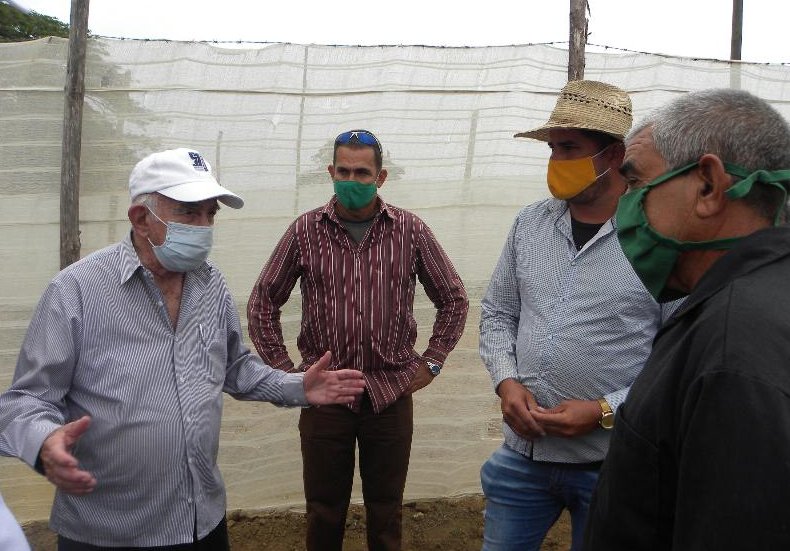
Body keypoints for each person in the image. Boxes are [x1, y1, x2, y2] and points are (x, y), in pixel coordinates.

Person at [0, 148, 366, 550]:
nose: (204, 226)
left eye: (211, 214)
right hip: (110, 532)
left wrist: (297, 387)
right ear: (142, 219)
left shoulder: (210, 285)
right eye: (190, 213)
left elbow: (233, 367)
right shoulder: (76, 292)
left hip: (201, 521)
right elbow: (24, 401)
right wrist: (44, 442)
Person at [583, 89, 790, 550]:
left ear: (709, 188)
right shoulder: (748, 302)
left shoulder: (734, 351)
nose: (625, 209)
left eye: (636, 184)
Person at [478, 80, 678, 551]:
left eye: (569, 148)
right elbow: (497, 314)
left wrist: (606, 410)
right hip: (522, 459)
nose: (556, 162)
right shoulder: (530, 224)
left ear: (610, 157)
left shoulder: (656, 240)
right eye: (552, 149)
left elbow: (676, 355)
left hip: (611, 464)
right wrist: (507, 383)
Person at [247, 129, 469, 551]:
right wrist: (288, 375)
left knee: (386, 509)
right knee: (324, 508)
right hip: (325, 396)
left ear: (380, 177)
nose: (352, 180)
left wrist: (432, 361)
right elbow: (262, 302)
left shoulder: (410, 230)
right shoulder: (305, 231)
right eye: (344, 171)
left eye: (362, 173)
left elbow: (454, 299)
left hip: (389, 392)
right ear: (330, 172)